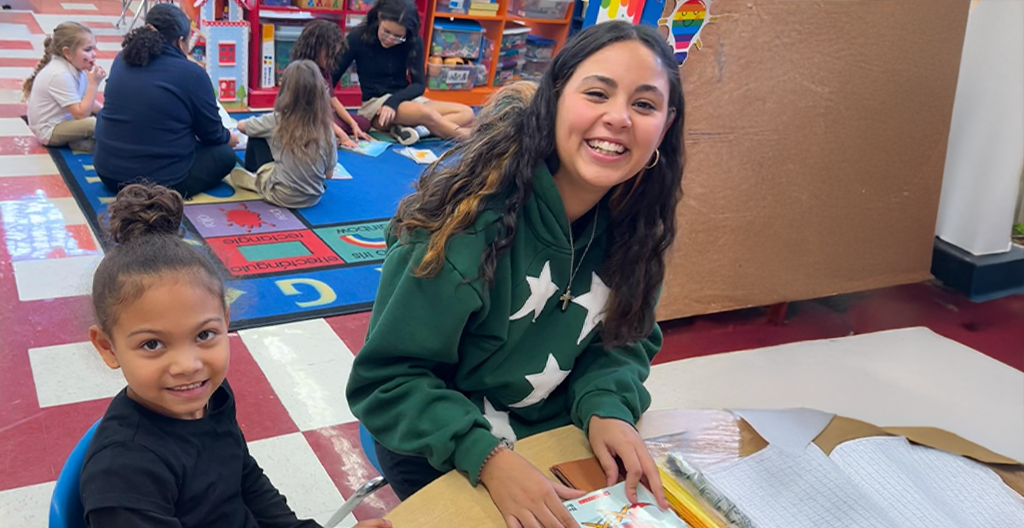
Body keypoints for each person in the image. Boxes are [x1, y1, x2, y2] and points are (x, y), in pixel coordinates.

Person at [346, 20, 685, 528]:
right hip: (440, 442)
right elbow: (388, 383)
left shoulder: (637, 229)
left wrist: (609, 406)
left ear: (665, 124)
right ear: (554, 101)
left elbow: (624, 342)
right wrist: (487, 457)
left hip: (551, 426)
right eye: (597, 93)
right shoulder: (461, 228)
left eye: (644, 104)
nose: (619, 118)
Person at [80, 183, 392, 528]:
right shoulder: (124, 473)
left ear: (226, 323)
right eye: (152, 344)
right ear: (108, 347)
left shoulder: (212, 397)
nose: (188, 365)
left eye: (204, 335)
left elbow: (245, 480)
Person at [93, 3, 240, 199]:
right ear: (180, 42)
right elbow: (211, 135)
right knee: (225, 156)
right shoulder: (192, 74)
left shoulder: (121, 59)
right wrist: (230, 138)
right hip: (160, 182)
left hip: (108, 174)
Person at [333, 0, 474, 145]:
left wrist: (393, 102)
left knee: (466, 113)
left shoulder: (413, 41)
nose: (390, 39)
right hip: (376, 106)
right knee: (425, 113)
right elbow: (330, 79)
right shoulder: (358, 37)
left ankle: (416, 131)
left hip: (404, 99)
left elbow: (419, 85)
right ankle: (467, 137)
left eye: (398, 36)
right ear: (380, 17)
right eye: (386, 32)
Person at [232, 60, 337, 209]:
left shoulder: (277, 119)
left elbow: (242, 126)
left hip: (280, 195)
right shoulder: (327, 128)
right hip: (314, 197)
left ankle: (256, 177)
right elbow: (329, 174)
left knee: (257, 134)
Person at [289, 19, 373, 149]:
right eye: (329, 54)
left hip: (326, 116)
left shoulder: (324, 69)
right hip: (308, 117)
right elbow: (315, 113)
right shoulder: (304, 72)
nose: (332, 59)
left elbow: (333, 100)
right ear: (316, 48)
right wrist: (341, 134)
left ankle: (335, 130)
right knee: (322, 134)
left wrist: (353, 124)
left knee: (364, 123)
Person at [23, 21, 104, 152]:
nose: (94, 54)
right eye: (88, 50)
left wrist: (106, 113)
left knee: (102, 120)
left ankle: (83, 141)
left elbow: (85, 100)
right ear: (67, 52)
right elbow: (81, 114)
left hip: (66, 121)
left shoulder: (77, 68)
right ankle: (87, 142)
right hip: (49, 131)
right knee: (93, 123)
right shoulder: (59, 74)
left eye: (94, 49)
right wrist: (93, 84)